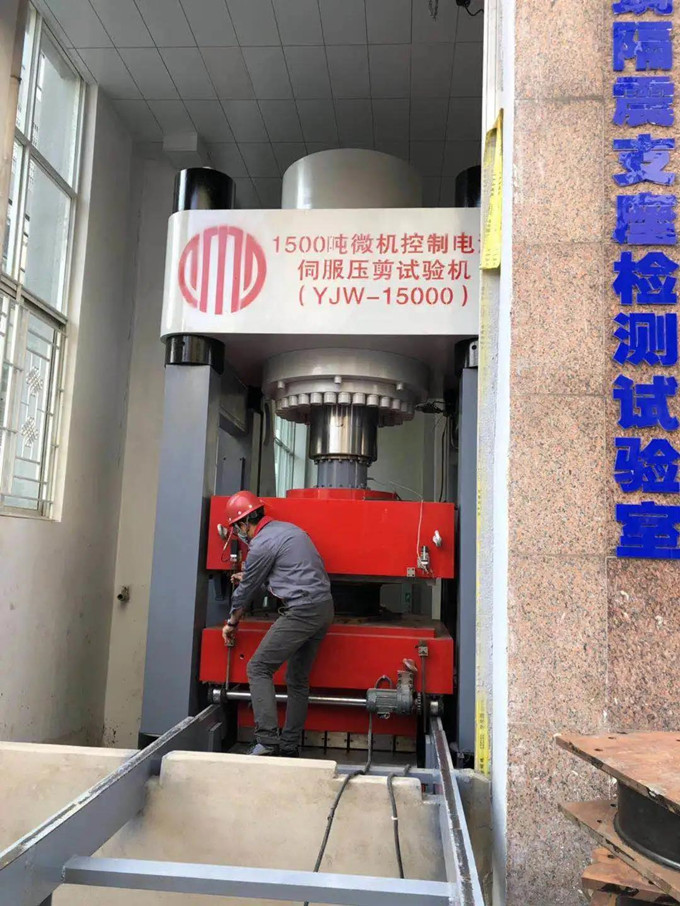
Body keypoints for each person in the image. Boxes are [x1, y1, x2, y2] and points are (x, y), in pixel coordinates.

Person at [221, 490, 334, 757]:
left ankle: (267, 742)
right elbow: (288, 571)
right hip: (324, 608)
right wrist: (251, 576)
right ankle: (289, 746)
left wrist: (231, 623)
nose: (238, 534)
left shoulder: (261, 544)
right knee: (297, 679)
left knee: (258, 668)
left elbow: (246, 592)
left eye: (237, 528)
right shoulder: (289, 530)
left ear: (243, 524)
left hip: (302, 611)